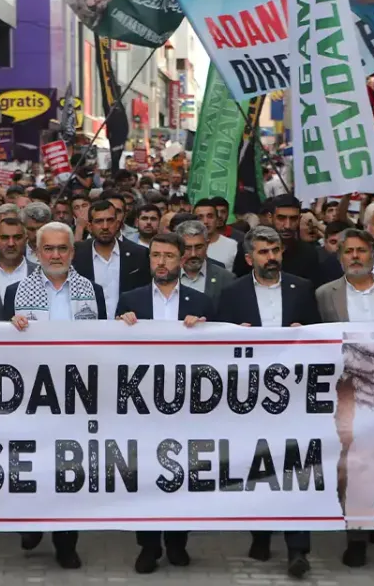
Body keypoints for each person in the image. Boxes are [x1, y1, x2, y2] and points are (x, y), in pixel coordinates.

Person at [216, 225, 319, 577]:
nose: (271, 257)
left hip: (294, 393)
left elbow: (319, 334)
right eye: (263, 252)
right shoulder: (232, 293)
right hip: (251, 395)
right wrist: (235, 337)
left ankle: (298, 548)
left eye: (275, 250)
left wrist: (304, 334)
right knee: (258, 466)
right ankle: (260, 533)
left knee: (296, 465)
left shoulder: (302, 288)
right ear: (249, 259)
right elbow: (217, 346)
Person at [5, 222, 105, 568]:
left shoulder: (93, 290)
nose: (56, 255)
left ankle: (66, 543)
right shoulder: (15, 291)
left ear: (73, 252)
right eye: (48, 249)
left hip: (76, 395)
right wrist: (9, 328)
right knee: (31, 463)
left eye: (63, 248)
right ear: (37, 253)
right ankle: (31, 524)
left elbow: (103, 341)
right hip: (30, 396)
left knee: (68, 467)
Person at [315, 228, 374, 569]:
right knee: (350, 460)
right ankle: (355, 534)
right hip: (346, 390)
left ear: (373, 254)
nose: (355, 257)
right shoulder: (325, 295)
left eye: (361, 250)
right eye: (349, 251)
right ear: (340, 256)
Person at [114, 232, 210, 574]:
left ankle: (177, 542)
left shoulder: (201, 301)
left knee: (183, 472)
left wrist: (205, 329)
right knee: (145, 474)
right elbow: (112, 351)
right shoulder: (131, 299)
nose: (161, 262)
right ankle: (149, 545)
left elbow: (218, 352)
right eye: (156, 255)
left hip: (187, 404)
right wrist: (120, 326)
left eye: (169, 255)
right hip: (143, 404)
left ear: (181, 260)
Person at [73, 199, 150, 319]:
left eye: (110, 220)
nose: (105, 226)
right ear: (89, 226)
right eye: (99, 221)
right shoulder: (76, 254)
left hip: (127, 325)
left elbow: (145, 294)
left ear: (118, 224)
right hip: (87, 326)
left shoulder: (139, 254)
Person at [174, 218, 236, 302]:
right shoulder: (167, 276)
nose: (193, 254)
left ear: (207, 244)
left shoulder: (226, 278)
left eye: (199, 247)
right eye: (187, 248)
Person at [194, 198, 239, 269]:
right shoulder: (186, 246)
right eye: (200, 217)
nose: (205, 221)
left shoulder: (233, 246)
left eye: (210, 216)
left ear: (217, 219)